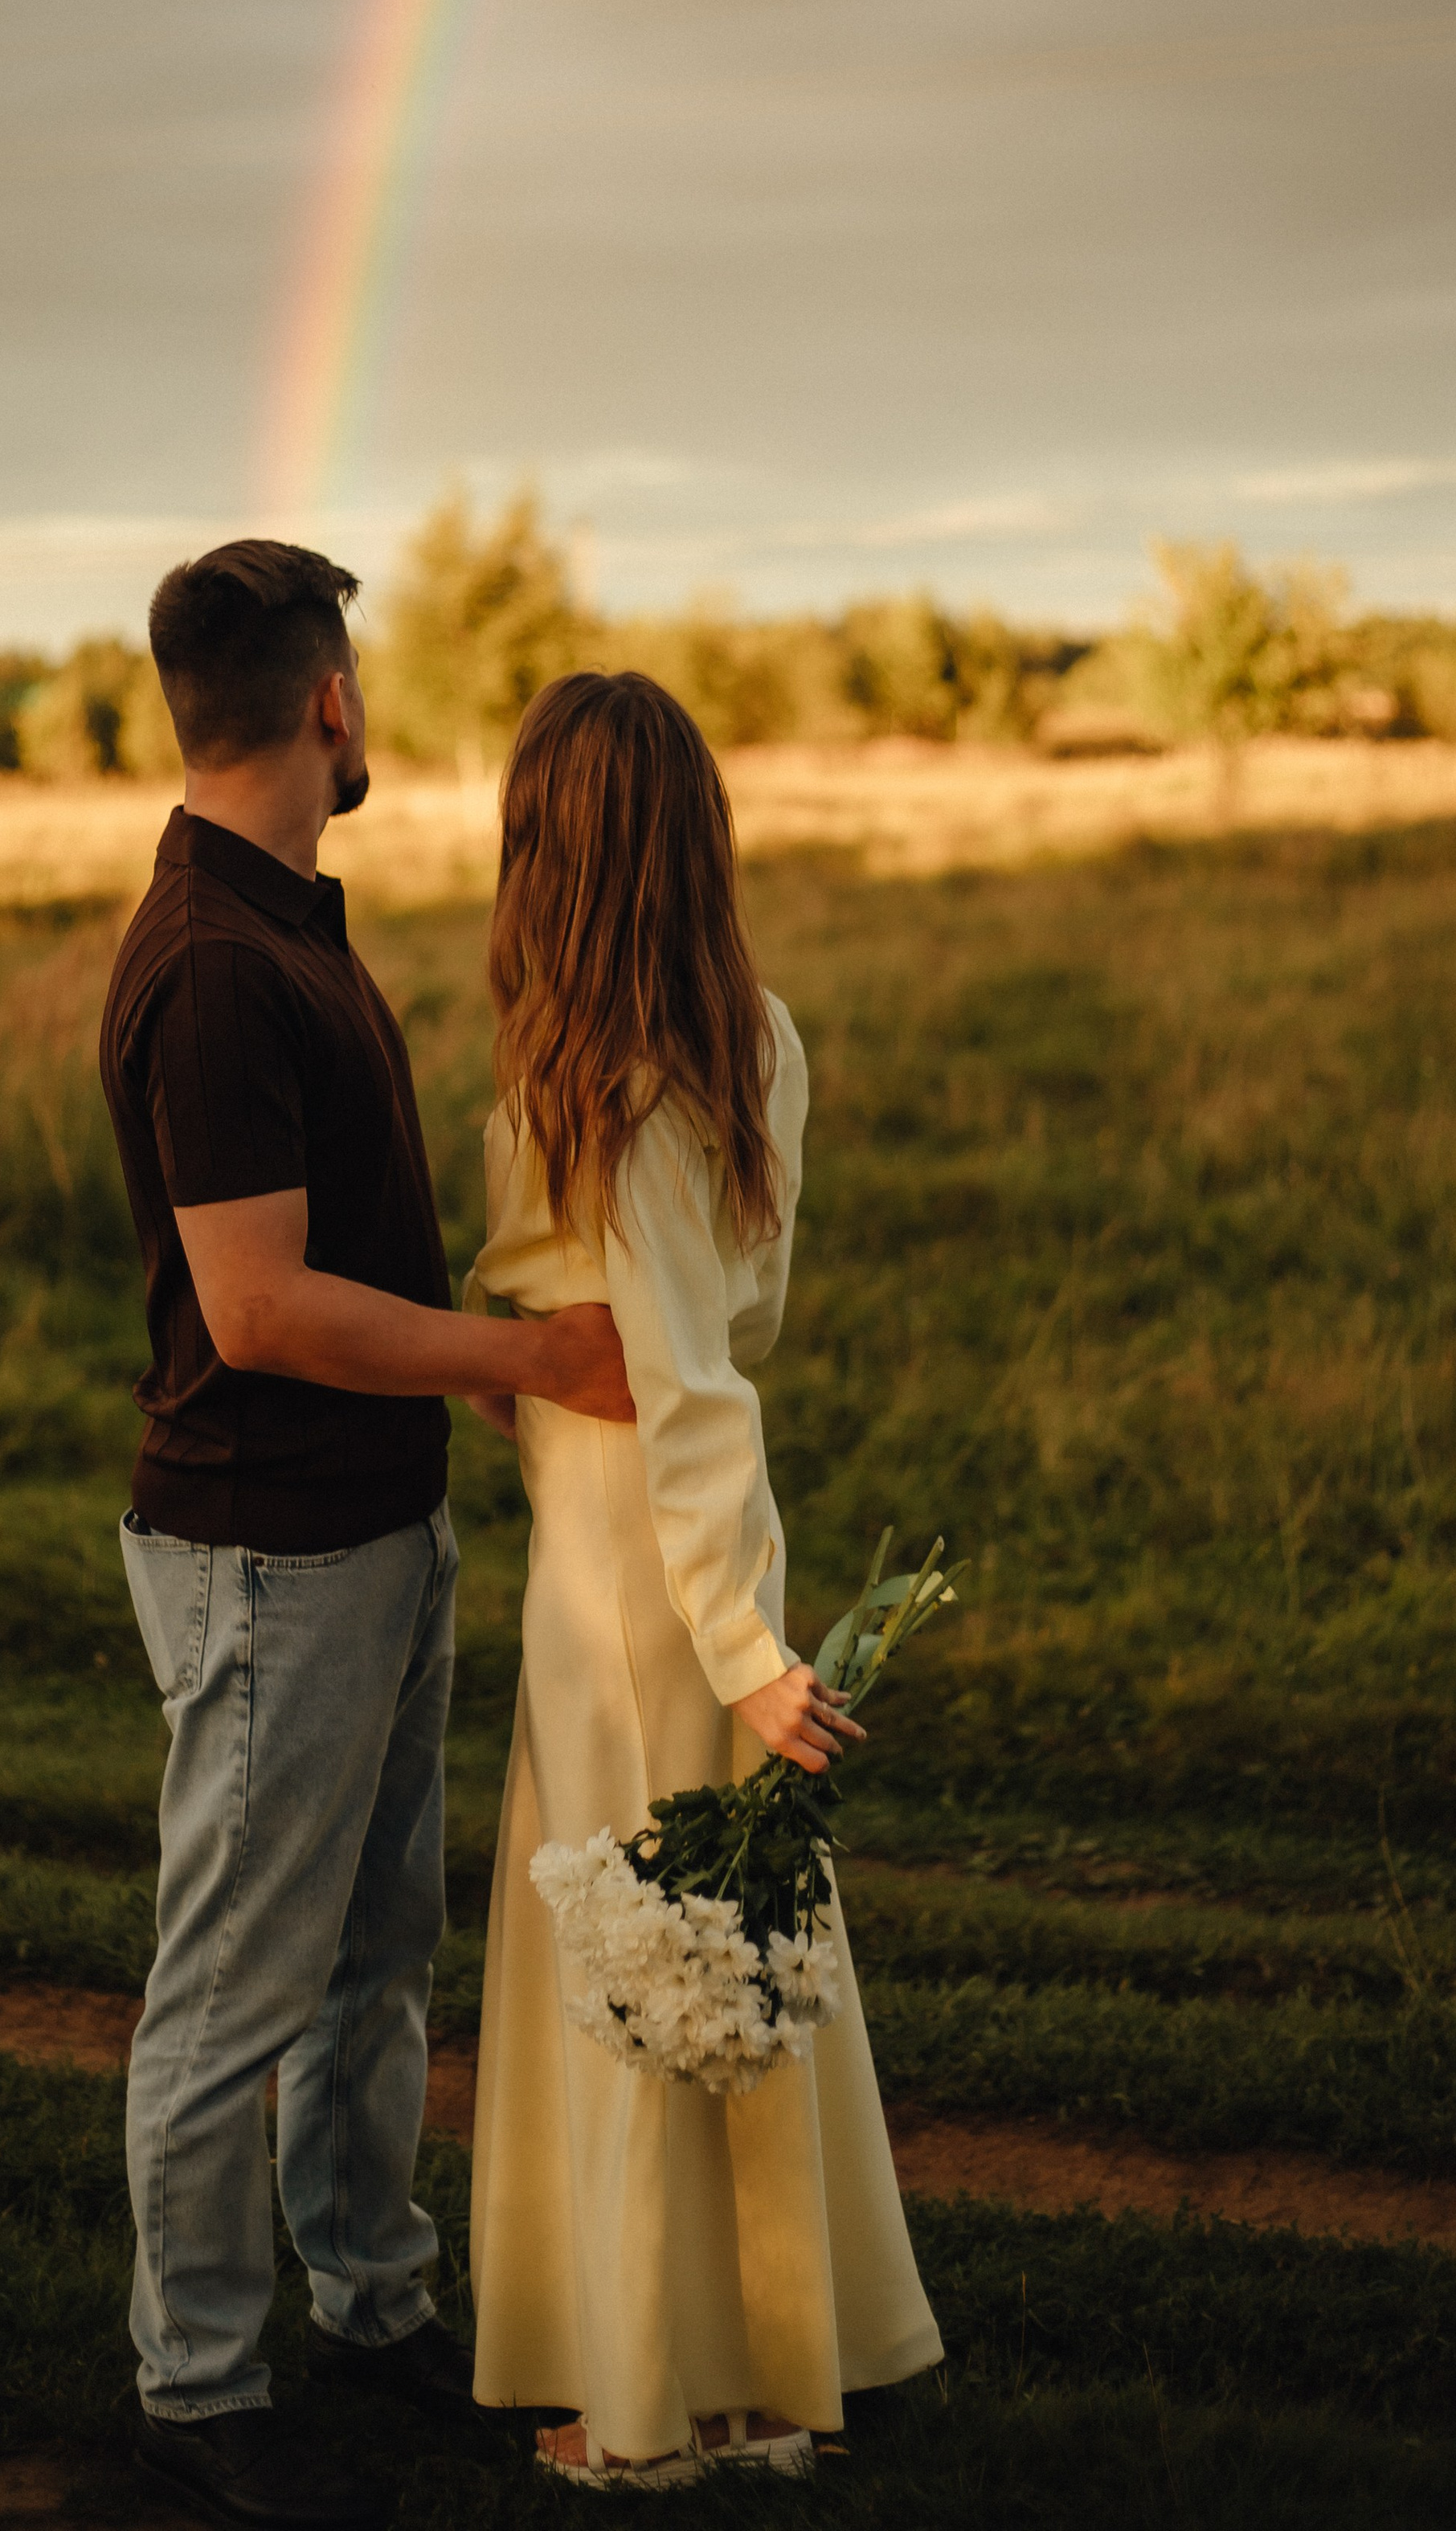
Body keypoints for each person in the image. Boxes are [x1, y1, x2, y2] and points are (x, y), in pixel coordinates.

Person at [97, 542, 635, 2531]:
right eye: (361, 682)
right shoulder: (219, 965)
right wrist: (530, 1353)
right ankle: (200, 2382)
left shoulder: (283, 920)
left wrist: (467, 1389)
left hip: (367, 1535)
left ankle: (368, 2291)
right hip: (271, 1562)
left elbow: (340, 1261)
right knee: (239, 1981)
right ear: (327, 703)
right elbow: (256, 1312)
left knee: (370, 1959)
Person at [462, 669, 943, 2484]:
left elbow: (682, 1390)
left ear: (552, 860)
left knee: (641, 1963)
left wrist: (738, 1644)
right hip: (664, 1542)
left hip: (634, 1580)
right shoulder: (749, 1035)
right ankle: (743, 2378)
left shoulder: (608, 1091)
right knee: (705, 1957)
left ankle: (656, 2410)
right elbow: (739, 1324)